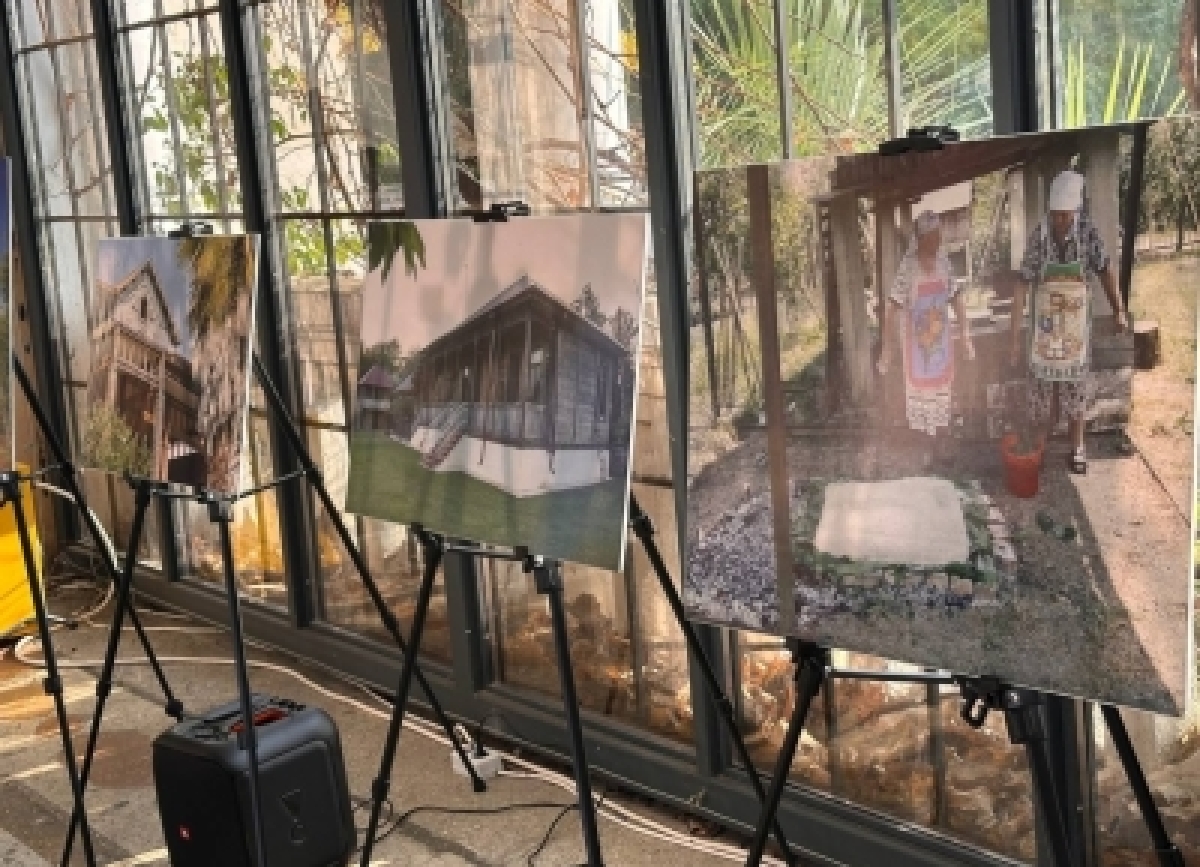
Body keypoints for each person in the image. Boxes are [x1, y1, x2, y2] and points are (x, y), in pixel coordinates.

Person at [1008, 169, 1129, 474]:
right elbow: (1022, 284)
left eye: (1065, 216)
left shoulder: (1088, 233)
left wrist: (1119, 309)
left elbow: (1105, 270)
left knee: (1076, 387)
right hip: (1045, 330)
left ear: (1075, 211)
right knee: (1041, 389)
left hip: (1075, 327)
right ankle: (1040, 445)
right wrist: (1014, 337)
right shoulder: (1039, 236)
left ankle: (1077, 447)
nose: (1060, 221)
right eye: (1055, 215)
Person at [877, 210, 975, 465]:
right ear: (920, 239)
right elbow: (891, 308)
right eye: (932, 238)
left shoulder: (944, 263)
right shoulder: (908, 268)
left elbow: (957, 300)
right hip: (917, 347)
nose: (937, 242)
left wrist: (965, 333)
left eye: (938, 237)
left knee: (941, 394)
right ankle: (926, 449)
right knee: (921, 397)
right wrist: (887, 347)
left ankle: (942, 446)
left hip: (940, 343)